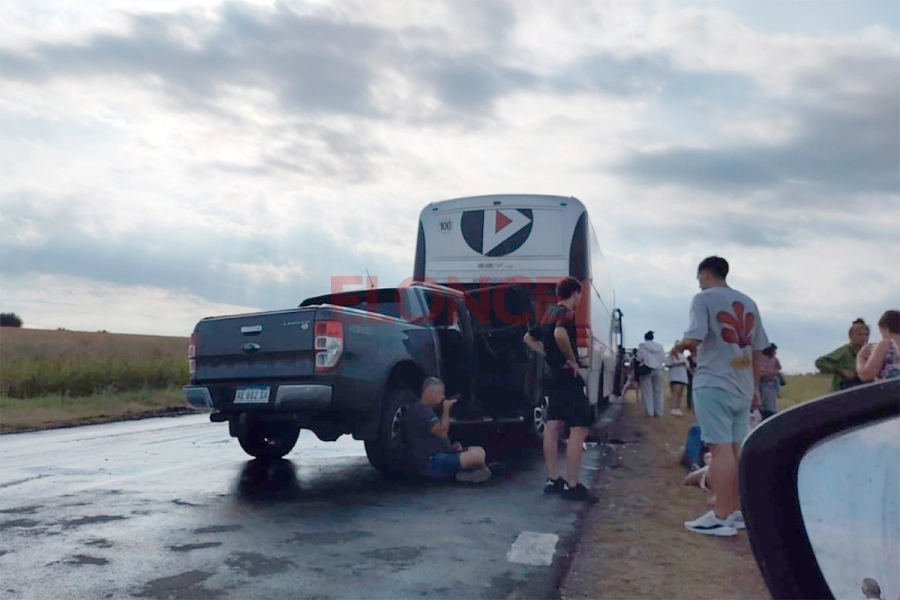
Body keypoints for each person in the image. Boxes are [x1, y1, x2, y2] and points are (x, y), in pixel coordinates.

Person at [671, 256, 769, 537]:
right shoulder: (749, 302)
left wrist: (678, 347)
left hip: (714, 382)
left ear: (705, 274)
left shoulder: (703, 299)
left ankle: (721, 515)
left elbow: (694, 337)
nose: (699, 283)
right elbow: (758, 349)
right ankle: (736, 510)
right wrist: (754, 387)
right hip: (741, 385)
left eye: (699, 277)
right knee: (737, 450)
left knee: (719, 450)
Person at [523, 276, 597, 502]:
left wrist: (547, 354)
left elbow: (527, 337)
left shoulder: (548, 313)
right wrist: (571, 358)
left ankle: (553, 479)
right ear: (575, 293)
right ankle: (573, 485)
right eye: (580, 294)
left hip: (551, 376)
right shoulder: (566, 314)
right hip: (567, 377)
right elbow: (560, 334)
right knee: (579, 427)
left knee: (552, 426)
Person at [405, 377, 491, 483]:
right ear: (432, 393)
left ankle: (470, 472)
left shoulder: (427, 409)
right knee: (476, 457)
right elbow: (442, 432)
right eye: (441, 393)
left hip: (441, 453)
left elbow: (433, 437)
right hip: (431, 462)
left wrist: (451, 447)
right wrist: (446, 409)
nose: (443, 397)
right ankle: (477, 471)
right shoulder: (421, 409)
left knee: (479, 450)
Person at [815, 319, 870, 391]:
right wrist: (841, 370)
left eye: (866, 335)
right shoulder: (845, 351)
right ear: (851, 336)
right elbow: (820, 362)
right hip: (844, 390)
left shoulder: (870, 352)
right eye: (860, 334)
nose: (863, 338)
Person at [856, 310, 900, 382]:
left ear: (886, 328)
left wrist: (860, 356)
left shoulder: (886, 344)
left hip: (891, 391)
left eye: (881, 332)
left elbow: (867, 375)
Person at [636, 331, 666, 417]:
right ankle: (659, 412)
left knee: (647, 392)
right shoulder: (660, 347)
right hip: (658, 370)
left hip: (646, 370)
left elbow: (639, 358)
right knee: (658, 392)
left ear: (645, 338)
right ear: (653, 338)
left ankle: (650, 412)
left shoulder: (642, 345)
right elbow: (664, 359)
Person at [758, 344, 782, 420]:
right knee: (764, 404)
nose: (775, 352)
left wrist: (774, 371)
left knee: (771, 404)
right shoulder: (761, 358)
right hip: (762, 382)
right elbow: (759, 372)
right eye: (774, 351)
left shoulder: (775, 359)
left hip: (772, 382)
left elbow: (778, 368)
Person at [666, 344, 690, 416]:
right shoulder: (670, 356)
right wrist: (678, 364)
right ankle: (673, 408)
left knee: (680, 393)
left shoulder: (682, 356)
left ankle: (678, 407)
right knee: (675, 393)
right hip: (675, 376)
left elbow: (687, 365)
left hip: (682, 376)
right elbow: (667, 364)